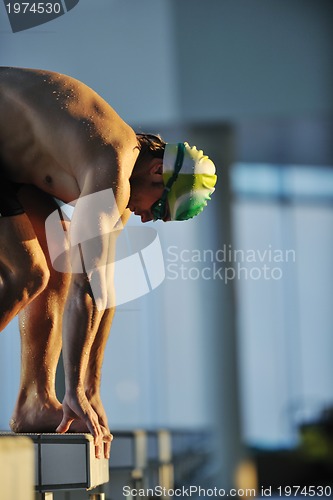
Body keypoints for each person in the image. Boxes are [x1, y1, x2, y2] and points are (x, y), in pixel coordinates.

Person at [0, 67, 217, 459]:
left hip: (8, 163)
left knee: (61, 259)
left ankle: (34, 402)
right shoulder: (113, 167)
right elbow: (88, 288)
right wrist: (74, 391)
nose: (149, 219)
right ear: (156, 171)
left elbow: (102, 286)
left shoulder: (118, 175)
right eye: (161, 208)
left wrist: (90, 387)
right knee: (26, 273)